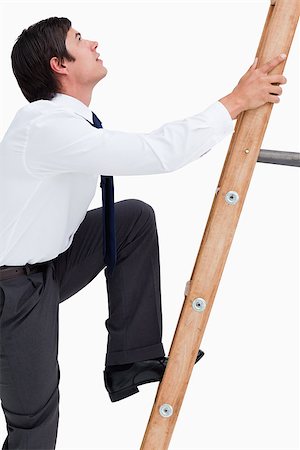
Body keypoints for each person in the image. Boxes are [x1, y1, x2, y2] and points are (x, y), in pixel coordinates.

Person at [0, 15, 287, 450]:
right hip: (11, 290)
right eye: (79, 38)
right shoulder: (46, 126)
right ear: (60, 64)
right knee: (34, 423)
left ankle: (131, 359)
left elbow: (152, 153)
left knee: (133, 218)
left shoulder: (74, 122)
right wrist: (233, 102)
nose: (93, 41)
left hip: (49, 267)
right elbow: (157, 153)